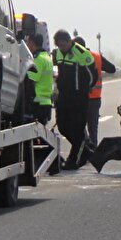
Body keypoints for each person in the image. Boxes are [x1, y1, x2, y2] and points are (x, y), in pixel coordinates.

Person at [51, 29, 97, 170]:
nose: (62, 48)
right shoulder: (56, 54)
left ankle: (74, 159)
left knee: (77, 129)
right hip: (64, 96)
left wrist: (85, 88)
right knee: (63, 126)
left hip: (79, 97)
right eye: (60, 45)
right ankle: (86, 152)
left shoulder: (82, 53)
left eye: (64, 45)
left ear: (70, 41)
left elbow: (92, 75)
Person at [76, 35, 116, 149]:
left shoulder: (76, 57)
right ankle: (93, 151)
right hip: (95, 99)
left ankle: (85, 148)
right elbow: (112, 69)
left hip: (81, 99)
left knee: (79, 126)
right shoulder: (97, 57)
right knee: (93, 128)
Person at [24, 33, 54, 124]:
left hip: (37, 104)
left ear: (32, 43)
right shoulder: (47, 57)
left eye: (27, 42)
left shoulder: (37, 59)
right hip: (46, 102)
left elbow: (30, 80)